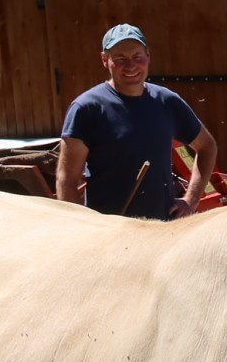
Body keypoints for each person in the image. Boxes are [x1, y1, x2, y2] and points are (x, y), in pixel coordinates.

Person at [57, 24, 217, 220]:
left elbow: (207, 147)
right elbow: (67, 179)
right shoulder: (86, 109)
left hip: (161, 230)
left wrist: (191, 200)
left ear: (148, 56)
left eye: (137, 56)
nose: (131, 65)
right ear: (104, 60)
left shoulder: (167, 102)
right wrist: (81, 226)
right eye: (120, 59)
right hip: (111, 234)